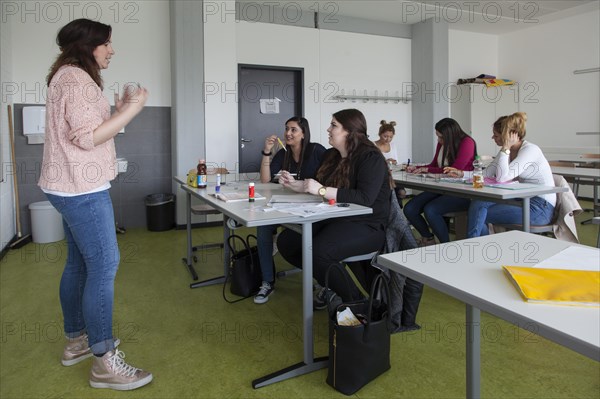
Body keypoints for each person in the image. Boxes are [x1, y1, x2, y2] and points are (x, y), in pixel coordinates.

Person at [38, 19, 152, 390]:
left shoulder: (66, 76)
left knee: (78, 263)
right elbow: (87, 139)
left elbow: (85, 129)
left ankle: (77, 340)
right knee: (104, 265)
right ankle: (105, 362)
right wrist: (132, 109)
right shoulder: (77, 79)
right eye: (107, 43)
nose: (112, 50)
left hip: (65, 184)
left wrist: (114, 112)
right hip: (81, 188)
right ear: (89, 45)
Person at [276, 109, 391, 305]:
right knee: (288, 242)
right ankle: (332, 282)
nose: (328, 129)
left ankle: (356, 302)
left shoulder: (370, 157)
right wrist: (297, 185)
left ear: (350, 131)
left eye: (334, 125)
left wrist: (320, 190)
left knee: (319, 252)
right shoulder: (332, 155)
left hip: (368, 225)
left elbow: (364, 198)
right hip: (337, 217)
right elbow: (320, 186)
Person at [447, 112, 556, 237]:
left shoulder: (530, 150)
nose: (493, 138)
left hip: (539, 208)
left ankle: (474, 247)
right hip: (522, 199)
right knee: (478, 204)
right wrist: (461, 173)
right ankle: (482, 248)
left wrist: (505, 148)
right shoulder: (506, 151)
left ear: (507, 136)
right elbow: (487, 173)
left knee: (478, 213)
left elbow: (503, 177)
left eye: (496, 135)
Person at [254, 117, 326, 304]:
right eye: (287, 129)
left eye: (293, 130)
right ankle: (267, 282)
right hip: (286, 204)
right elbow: (264, 180)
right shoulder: (283, 153)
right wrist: (267, 152)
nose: (288, 133)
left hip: (314, 206)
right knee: (263, 228)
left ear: (303, 134)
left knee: (306, 236)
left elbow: (331, 177)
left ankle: (323, 279)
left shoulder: (316, 150)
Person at [403, 118, 476, 245]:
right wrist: (417, 168)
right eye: (438, 136)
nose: (439, 140)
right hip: (442, 188)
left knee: (431, 210)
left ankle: (445, 245)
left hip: (462, 191)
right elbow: (434, 164)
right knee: (409, 208)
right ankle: (429, 238)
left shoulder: (467, 142)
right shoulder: (442, 143)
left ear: (450, 135)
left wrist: (427, 169)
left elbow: (453, 170)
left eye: (441, 137)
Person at [374, 120, 406, 205]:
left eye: (391, 137)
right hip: (380, 177)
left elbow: (396, 164)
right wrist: (385, 161)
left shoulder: (393, 146)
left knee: (402, 193)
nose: (388, 139)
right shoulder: (372, 145)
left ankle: (397, 213)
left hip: (393, 176)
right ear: (379, 134)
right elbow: (372, 165)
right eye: (385, 136)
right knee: (391, 192)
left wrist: (394, 163)